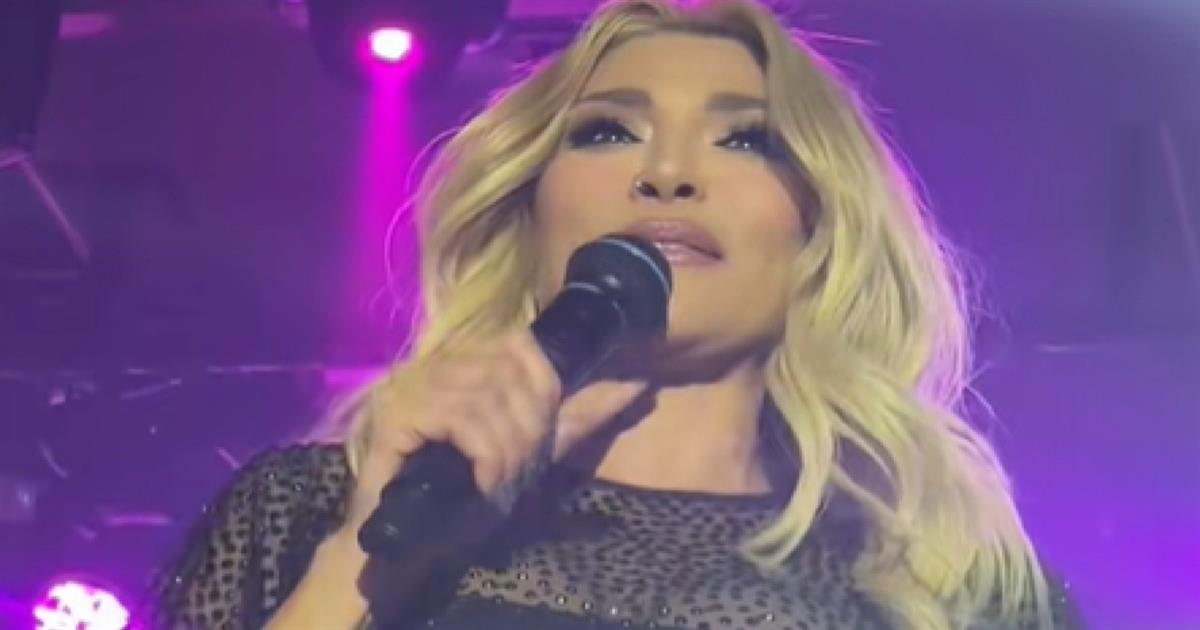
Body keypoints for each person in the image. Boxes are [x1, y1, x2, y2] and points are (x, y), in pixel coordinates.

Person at [149, 1, 1082, 628]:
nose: (667, 173)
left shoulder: (947, 587)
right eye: (608, 131)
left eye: (746, 139)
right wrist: (366, 562)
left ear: (816, 232)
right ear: (531, 214)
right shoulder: (308, 513)